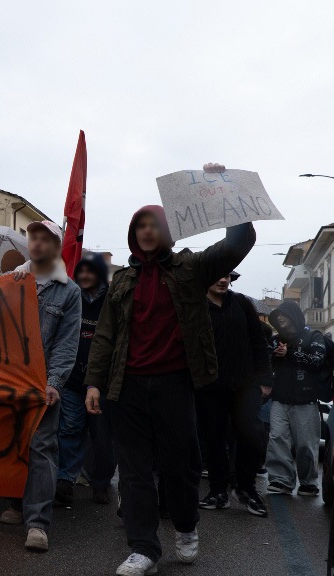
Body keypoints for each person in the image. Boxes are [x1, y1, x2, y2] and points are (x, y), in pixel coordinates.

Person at [84, 206, 255, 575]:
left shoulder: (190, 269)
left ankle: (185, 524)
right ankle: (144, 547)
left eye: (154, 225)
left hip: (175, 384)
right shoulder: (122, 280)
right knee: (133, 471)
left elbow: (238, 244)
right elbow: (105, 336)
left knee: (179, 467)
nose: (146, 231)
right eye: (140, 226)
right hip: (127, 386)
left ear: (169, 232)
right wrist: (95, 382)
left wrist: (224, 192)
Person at [0, 220, 82, 553]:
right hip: (6, 381)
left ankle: (38, 522)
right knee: (7, 443)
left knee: (42, 448)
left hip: (41, 384)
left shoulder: (69, 291)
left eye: (45, 238)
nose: (37, 243)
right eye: (33, 236)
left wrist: (54, 382)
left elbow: (66, 342)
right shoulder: (11, 282)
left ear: (55, 246)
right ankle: (13, 503)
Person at [194, 272, 271, 517]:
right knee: (214, 440)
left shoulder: (242, 304)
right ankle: (218, 491)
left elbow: (258, 341)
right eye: (217, 274)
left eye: (227, 275)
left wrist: (265, 379)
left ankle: (245, 488)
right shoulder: (196, 306)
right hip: (210, 386)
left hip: (244, 385)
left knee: (252, 435)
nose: (223, 279)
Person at [55, 251, 116, 506]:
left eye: (91, 271)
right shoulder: (70, 296)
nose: (85, 275)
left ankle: (100, 484)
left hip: (102, 383)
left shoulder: (112, 300)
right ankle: (65, 481)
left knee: (102, 438)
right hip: (72, 380)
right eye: (82, 271)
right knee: (70, 430)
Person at [265, 301, 326, 497]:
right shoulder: (275, 340)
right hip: (279, 400)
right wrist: (273, 356)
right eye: (277, 316)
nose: (280, 319)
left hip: (306, 401)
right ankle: (280, 480)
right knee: (277, 439)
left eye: (284, 315)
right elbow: (265, 363)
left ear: (294, 316)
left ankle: (308, 483)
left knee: (306, 444)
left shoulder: (313, 336)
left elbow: (317, 361)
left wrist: (289, 353)